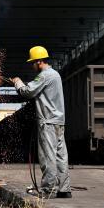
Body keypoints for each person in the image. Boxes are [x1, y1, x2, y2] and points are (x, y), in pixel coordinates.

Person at [12, 45, 71, 199]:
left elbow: (27, 92)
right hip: (58, 121)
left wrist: (18, 82)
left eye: (32, 63)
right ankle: (64, 189)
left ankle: (48, 189)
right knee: (60, 156)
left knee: (47, 156)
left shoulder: (44, 76)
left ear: (39, 61)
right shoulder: (55, 75)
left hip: (48, 122)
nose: (31, 66)